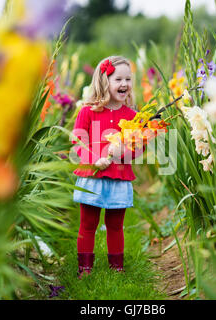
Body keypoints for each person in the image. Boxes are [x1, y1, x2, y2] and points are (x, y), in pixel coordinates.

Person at [71, 56, 145, 278]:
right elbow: (77, 142)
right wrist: (94, 160)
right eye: (118, 79)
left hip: (119, 177)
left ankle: (117, 268)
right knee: (88, 223)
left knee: (115, 225)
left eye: (128, 79)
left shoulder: (132, 117)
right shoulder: (88, 111)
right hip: (92, 176)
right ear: (104, 81)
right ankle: (85, 267)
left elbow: (138, 149)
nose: (124, 84)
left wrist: (124, 152)